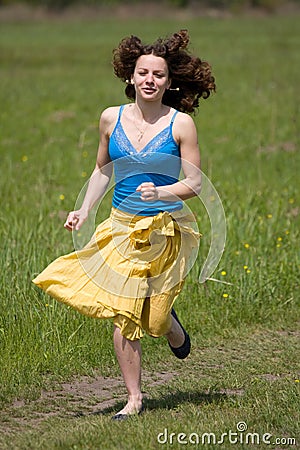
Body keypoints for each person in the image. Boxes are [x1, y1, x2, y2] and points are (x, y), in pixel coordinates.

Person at [32, 29, 215, 420]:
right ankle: (134, 399)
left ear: (169, 81)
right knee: (125, 312)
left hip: (168, 231)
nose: (150, 80)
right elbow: (101, 171)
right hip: (121, 228)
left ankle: (170, 327)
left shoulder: (180, 125)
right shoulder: (110, 118)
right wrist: (82, 210)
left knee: (156, 318)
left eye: (159, 75)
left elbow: (196, 182)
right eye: (143, 72)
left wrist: (162, 194)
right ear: (130, 77)